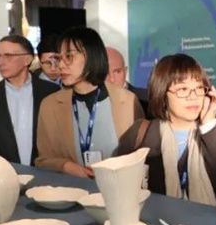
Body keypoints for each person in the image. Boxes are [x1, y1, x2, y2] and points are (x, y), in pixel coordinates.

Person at [115, 54, 216, 206]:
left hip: (205, 219)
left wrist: (209, 125)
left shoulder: (215, 134)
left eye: (199, 88)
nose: (193, 97)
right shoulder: (141, 133)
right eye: (183, 89)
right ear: (162, 93)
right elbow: (117, 182)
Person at [36, 27, 142, 178]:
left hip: (119, 188)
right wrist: (66, 166)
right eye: (59, 58)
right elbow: (43, 161)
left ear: (91, 56)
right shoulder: (50, 105)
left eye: (69, 56)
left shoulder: (128, 101)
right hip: (71, 189)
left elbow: (140, 157)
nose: (60, 65)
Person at [0, 35, 57, 165]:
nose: (0, 62)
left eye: (8, 56)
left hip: (45, 173)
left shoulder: (51, 92)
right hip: (3, 173)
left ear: (27, 59)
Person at [106, 46, 148, 114]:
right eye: (105, 73)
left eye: (117, 72)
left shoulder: (147, 100)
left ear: (125, 72)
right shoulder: (91, 104)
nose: (112, 79)